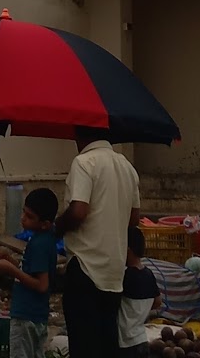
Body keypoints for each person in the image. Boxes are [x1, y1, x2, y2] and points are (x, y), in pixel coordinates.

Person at [54, 128, 141, 358]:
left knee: (84, 345)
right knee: (107, 342)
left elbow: (79, 211)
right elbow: (134, 218)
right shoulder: (126, 166)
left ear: (78, 137)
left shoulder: (83, 162)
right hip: (114, 271)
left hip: (85, 266)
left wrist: (56, 228)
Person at [0, 187, 60, 358]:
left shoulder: (40, 244)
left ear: (45, 223)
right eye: (24, 213)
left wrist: (11, 270)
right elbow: (30, 270)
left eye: (30, 217)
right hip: (34, 315)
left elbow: (42, 284)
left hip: (27, 315)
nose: (23, 219)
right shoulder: (41, 239)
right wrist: (8, 257)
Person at [117, 227, 161, 358]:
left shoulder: (125, 277)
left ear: (127, 250)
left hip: (125, 343)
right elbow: (158, 302)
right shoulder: (149, 274)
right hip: (141, 339)